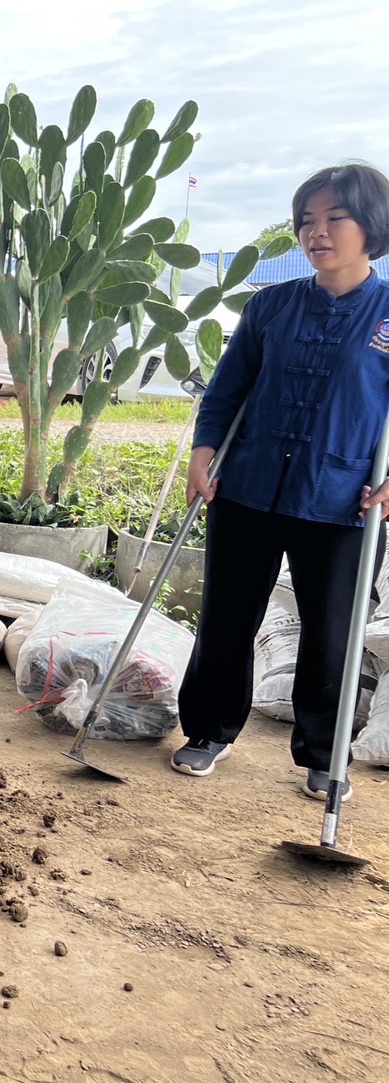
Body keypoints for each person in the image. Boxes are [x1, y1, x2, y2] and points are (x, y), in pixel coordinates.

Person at [173, 162, 389, 800]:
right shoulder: (270, 305)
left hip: (343, 500)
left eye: (333, 219)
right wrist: (203, 452)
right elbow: (227, 391)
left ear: (370, 225)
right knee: (228, 618)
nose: (316, 233)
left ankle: (324, 754)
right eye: (306, 221)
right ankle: (210, 729)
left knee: (332, 633)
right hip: (249, 489)